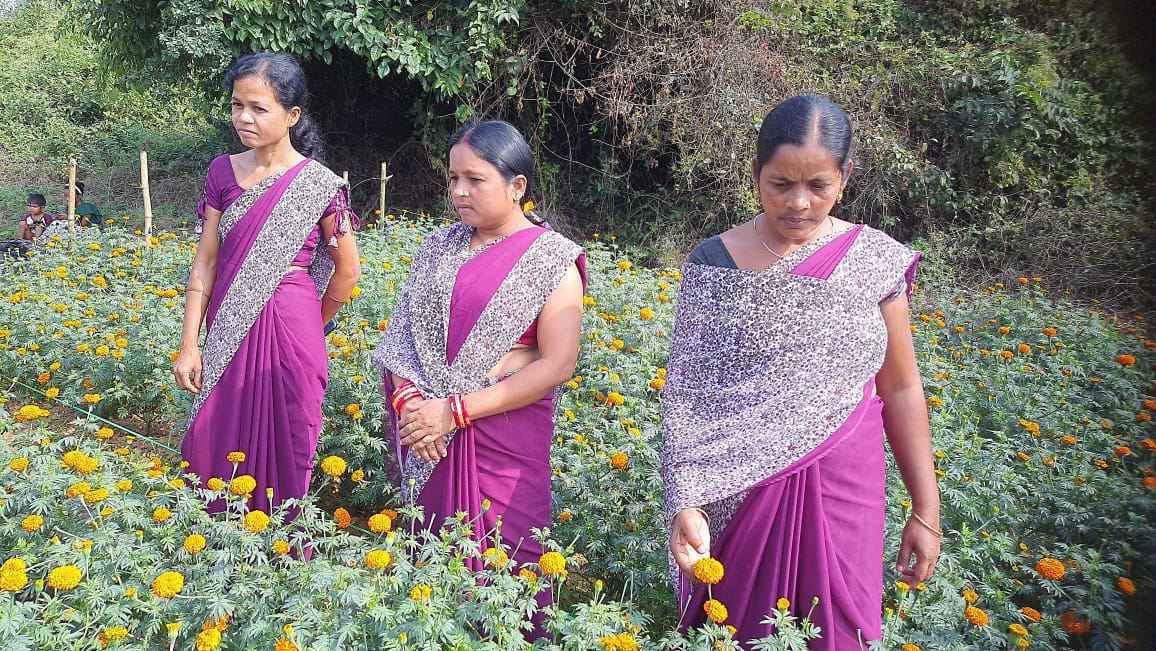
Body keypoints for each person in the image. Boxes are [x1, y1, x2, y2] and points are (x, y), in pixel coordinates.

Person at [661, 94, 941, 649]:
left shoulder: (874, 261)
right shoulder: (714, 263)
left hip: (845, 488)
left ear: (846, 176)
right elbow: (685, 396)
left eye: (819, 186)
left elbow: (902, 386)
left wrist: (926, 510)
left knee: (838, 627)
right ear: (755, 173)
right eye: (780, 184)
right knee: (735, 630)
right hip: (738, 489)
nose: (799, 204)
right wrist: (683, 498)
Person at [373, 120, 585, 634]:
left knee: (509, 571)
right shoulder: (437, 249)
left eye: (475, 179)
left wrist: (456, 411)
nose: (459, 192)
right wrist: (414, 411)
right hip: (428, 435)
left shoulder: (551, 259)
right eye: (452, 179)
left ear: (518, 186)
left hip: (502, 439)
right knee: (431, 575)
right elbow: (402, 341)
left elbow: (556, 363)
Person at [173, 53, 362, 520]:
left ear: (291, 116)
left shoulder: (319, 185)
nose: (243, 117)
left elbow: (348, 271)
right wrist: (188, 344)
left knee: (288, 440)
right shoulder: (222, 171)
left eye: (258, 108)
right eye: (237, 105)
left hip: (291, 330)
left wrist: (311, 327)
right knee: (213, 439)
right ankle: (213, 551)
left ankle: (278, 556)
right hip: (228, 325)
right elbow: (206, 262)